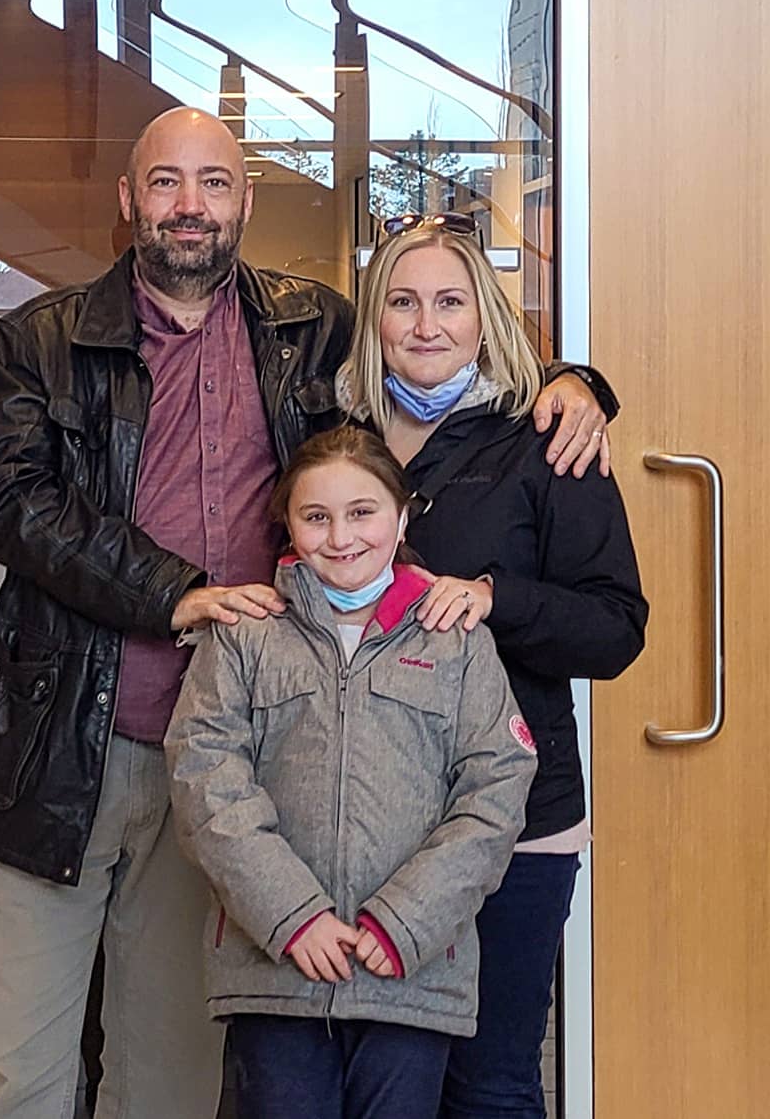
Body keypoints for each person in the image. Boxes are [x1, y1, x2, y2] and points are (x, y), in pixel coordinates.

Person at [0, 105, 612, 1119]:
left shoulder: (310, 329)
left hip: (231, 757)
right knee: (17, 1071)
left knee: (168, 1069)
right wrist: (172, 591)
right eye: (164, 183)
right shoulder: (39, 339)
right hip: (61, 747)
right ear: (128, 202)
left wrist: (571, 382)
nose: (189, 206)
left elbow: (434, 349)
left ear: (244, 202)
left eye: (212, 183)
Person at [337, 213, 648, 1118]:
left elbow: (614, 628)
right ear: (375, 319)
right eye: (402, 301)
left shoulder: (549, 439)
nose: (425, 324)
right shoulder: (334, 437)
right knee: (383, 1084)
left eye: (449, 301)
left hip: (519, 820)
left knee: (491, 1082)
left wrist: (493, 595)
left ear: (487, 319)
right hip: (370, 817)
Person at [164, 425, 537, 1119]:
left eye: (362, 512)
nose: (341, 537)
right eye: (316, 516)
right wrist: (292, 916)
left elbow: (495, 791)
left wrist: (404, 921)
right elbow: (204, 776)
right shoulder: (246, 634)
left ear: (400, 516)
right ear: (289, 526)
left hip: (411, 972)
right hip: (276, 969)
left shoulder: (454, 638)